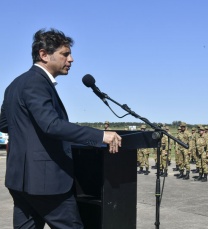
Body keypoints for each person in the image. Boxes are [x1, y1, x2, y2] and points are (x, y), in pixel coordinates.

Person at [0, 28, 121, 229]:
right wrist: (100, 135)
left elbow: (4, 124)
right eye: (65, 54)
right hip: (45, 183)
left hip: (18, 181)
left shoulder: (15, 84)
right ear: (44, 55)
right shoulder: (36, 83)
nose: (71, 59)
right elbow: (51, 125)